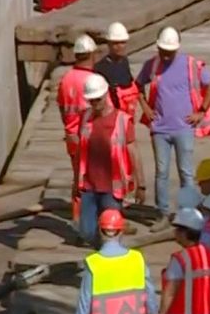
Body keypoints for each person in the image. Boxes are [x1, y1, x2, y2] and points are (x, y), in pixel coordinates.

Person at [136, 26, 210, 231]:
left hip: (183, 128)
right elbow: (137, 85)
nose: (165, 55)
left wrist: (201, 111)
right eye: (163, 50)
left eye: (169, 52)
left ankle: (187, 214)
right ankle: (162, 214)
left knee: (186, 173)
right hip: (160, 129)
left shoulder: (190, 65)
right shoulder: (152, 65)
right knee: (161, 172)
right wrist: (145, 107)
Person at [76, 73, 146, 246]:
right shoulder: (85, 118)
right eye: (91, 100)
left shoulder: (122, 120)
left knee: (111, 232)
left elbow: (133, 152)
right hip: (89, 185)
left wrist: (141, 184)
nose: (94, 104)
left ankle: (108, 256)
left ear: (106, 95)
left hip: (112, 187)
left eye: (97, 100)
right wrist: (75, 181)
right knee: (86, 232)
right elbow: (80, 151)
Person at [57, 34, 99, 223]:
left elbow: (61, 106)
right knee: (93, 180)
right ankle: (89, 220)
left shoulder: (66, 79)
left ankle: (77, 217)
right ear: (92, 54)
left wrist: (68, 129)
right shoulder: (92, 80)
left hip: (71, 136)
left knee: (77, 178)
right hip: (88, 138)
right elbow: (96, 110)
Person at [94, 22, 149, 120]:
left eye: (123, 42)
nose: (120, 46)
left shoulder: (124, 62)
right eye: (116, 43)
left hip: (128, 116)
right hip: (110, 118)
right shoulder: (100, 68)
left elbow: (133, 84)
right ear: (109, 44)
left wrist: (145, 106)